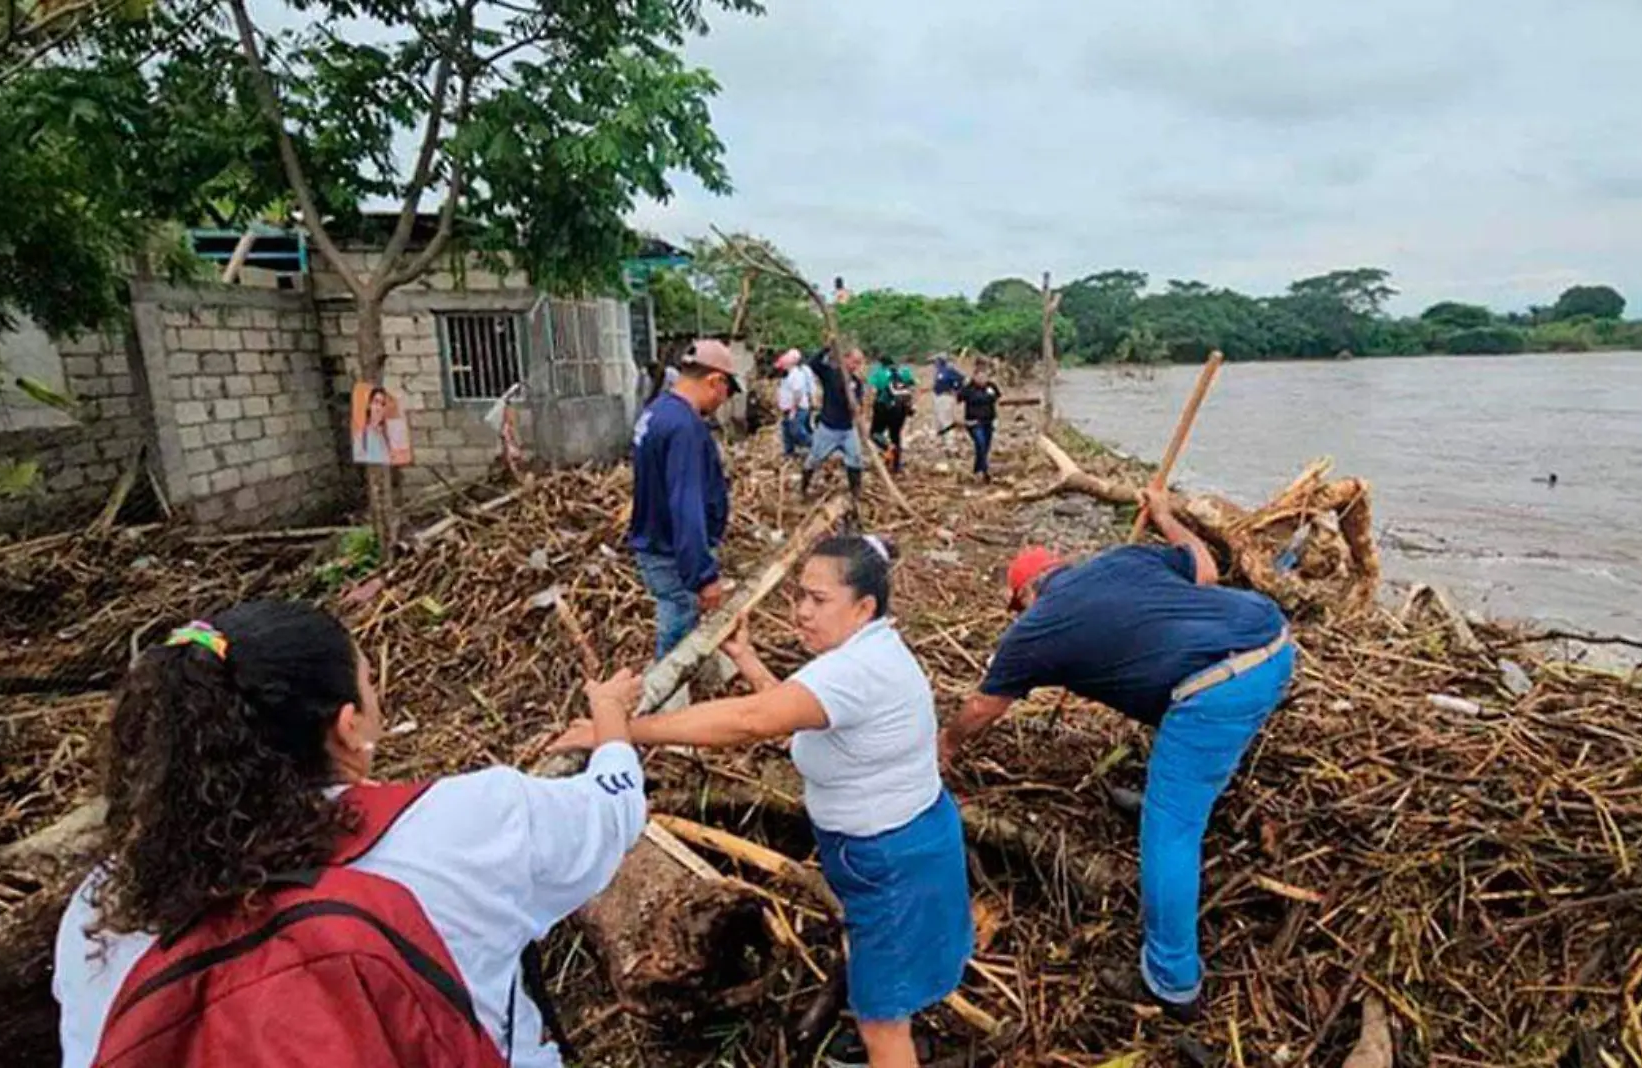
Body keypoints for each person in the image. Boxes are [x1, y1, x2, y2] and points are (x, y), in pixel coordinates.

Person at [53, 600, 648, 1068]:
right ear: (347, 727)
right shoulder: (474, 819)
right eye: (369, 680)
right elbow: (613, 810)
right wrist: (613, 722)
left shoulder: (101, 909)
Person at [553, 535, 972, 1068]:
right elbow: (797, 718)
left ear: (864, 607)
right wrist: (747, 659)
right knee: (887, 979)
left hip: (893, 863)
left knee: (881, 1021)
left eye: (818, 600)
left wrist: (616, 729)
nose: (800, 611)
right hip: (899, 849)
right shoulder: (865, 655)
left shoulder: (855, 672)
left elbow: (749, 720)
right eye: (798, 595)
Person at [938, 490, 1294, 1023]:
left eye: (1017, 606)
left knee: (1170, 828)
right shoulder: (1120, 560)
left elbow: (983, 707)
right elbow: (1206, 567)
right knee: (1189, 746)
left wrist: (944, 746)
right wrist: (1169, 520)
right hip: (1273, 637)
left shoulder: (1032, 630)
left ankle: (1172, 984)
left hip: (1220, 683)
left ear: (1027, 594)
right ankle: (1190, 793)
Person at [629, 339, 738, 658]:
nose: (724, 400)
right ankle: (667, 705)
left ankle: (691, 691)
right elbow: (685, 506)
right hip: (671, 554)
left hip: (658, 546)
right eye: (727, 390)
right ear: (715, 381)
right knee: (675, 642)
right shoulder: (684, 427)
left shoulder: (657, 412)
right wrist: (703, 576)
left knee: (682, 628)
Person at [802, 347, 868, 504]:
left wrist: (856, 406)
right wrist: (827, 348)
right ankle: (803, 489)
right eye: (854, 361)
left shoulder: (856, 382)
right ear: (845, 359)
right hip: (828, 428)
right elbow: (813, 363)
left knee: (855, 459)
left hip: (847, 429)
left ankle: (855, 493)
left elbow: (858, 404)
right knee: (814, 459)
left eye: (859, 363)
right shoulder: (830, 374)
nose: (856, 366)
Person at [867, 354, 917, 474]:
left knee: (875, 433)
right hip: (901, 408)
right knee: (895, 434)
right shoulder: (904, 371)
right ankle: (896, 465)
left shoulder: (878, 372)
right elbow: (912, 386)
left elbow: (872, 389)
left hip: (883, 406)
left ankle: (887, 448)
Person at [957, 364, 1003, 482]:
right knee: (980, 443)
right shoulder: (969, 388)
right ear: (975, 377)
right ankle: (985, 471)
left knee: (984, 447)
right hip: (974, 422)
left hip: (988, 421)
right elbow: (959, 398)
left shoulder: (991, 387)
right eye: (980, 377)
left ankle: (977, 469)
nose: (983, 380)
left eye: (985, 377)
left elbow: (998, 398)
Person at [775, 349, 815, 458]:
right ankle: (789, 452)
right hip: (788, 408)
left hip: (798, 408)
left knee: (797, 430)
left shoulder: (797, 374)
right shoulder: (786, 374)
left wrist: (793, 409)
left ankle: (815, 446)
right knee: (787, 431)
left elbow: (798, 393)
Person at [929, 354, 965, 454]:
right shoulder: (939, 371)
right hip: (938, 397)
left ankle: (950, 445)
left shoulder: (949, 370)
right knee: (939, 420)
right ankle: (944, 443)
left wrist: (956, 389)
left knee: (946, 421)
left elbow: (961, 378)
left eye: (936, 361)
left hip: (946, 397)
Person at [356, 386, 393, 465]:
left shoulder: (386, 435)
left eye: (382, 404)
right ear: (369, 405)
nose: (378, 408)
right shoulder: (360, 436)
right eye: (376, 402)